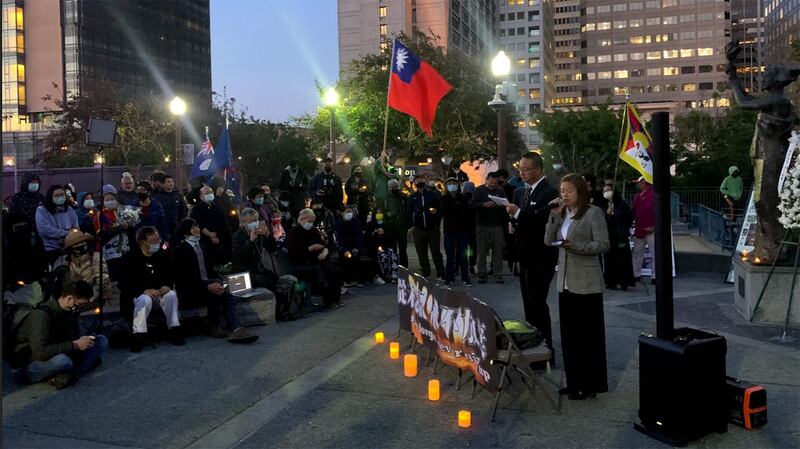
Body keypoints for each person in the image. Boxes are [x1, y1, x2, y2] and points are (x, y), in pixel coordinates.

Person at [545, 173, 610, 401]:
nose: (564, 195)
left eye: (569, 191)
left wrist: (576, 246)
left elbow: (603, 245)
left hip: (586, 282)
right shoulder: (562, 214)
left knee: (587, 337)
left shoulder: (593, 213)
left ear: (580, 192)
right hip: (564, 281)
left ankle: (590, 384)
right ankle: (573, 381)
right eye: (562, 191)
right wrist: (553, 218)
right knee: (569, 335)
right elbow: (547, 240)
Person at [506, 152, 559, 358]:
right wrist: (513, 225)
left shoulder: (549, 192)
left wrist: (518, 214)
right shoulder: (520, 192)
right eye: (520, 169)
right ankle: (531, 344)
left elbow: (541, 221)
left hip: (541, 255)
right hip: (524, 254)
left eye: (526, 169)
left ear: (538, 169)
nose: (522, 173)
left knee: (538, 302)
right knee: (528, 302)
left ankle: (546, 347)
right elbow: (522, 221)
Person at [10, 276, 107, 389]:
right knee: (63, 361)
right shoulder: (41, 316)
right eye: (80, 304)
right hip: (30, 362)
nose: (80, 308)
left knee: (101, 340)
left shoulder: (69, 312)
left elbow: (72, 338)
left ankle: (71, 373)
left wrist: (84, 340)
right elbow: (40, 352)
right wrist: (74, 344)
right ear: (69, 299)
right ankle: (70, 372)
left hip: (58, 352)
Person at [174, 218, 258, 343]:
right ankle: (214, 326)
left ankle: (236, 329)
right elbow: (185, 279)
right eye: (193, 227)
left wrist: (219, 282)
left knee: (225, 293)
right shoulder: (180, 251)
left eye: (197, 226)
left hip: (204, 283)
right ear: (186, 233)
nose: (197, 229)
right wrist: (206, 286)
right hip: (190, 289)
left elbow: (210, 267)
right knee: (217, 294)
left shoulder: (201, 246)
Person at [118, 226, 184, 352]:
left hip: (158, 293)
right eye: (153, 242)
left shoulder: (162, 255)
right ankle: (138, 335)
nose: (157, 244)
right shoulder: (129, 258)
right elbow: (123, 284)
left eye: (158, 240)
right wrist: (143, 290)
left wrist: (166, 285)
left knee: (171, 295)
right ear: (142, 243)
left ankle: (174, 328)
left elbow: (170, 275)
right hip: (137, 296)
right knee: (144, 300)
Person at [287, 208, 345, 308]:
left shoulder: (314, 231)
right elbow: (294, 254)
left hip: (317, 261)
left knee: (338, 271)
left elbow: (323, 245)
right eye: (309, 221)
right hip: (303, 265)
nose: (310, 224)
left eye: (312, 222)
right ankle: (328, 302)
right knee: (330, 273)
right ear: (301, 219)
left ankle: (335, 299)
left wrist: (324, 252)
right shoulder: (293, 233)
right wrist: (310, 249)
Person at [4, 173, 47, 285]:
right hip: (22, 238)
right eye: (32, 183)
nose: (35, 185)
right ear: (25, 183)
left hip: (40, 235)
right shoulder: (16, 199)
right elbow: (13, 219)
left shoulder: (40, 198)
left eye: (37, 183)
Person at [48, 231, 111, 305]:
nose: (81, 246)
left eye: (82, 243)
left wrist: (89, 299)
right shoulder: (67, 262)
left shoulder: (96, 257)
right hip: (74, 300)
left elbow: (103, 281)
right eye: (77, 244)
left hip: (94, 299)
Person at [470, 172, 507, 283]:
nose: (492, 185)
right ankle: (482, 273)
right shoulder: (478, 190)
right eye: (490, 182)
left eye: (495, 183)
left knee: (498, 250)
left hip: (497, 224)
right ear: (487, 180)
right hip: (482, 224)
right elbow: (472, 205)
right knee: (482, 250)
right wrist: (483, 204)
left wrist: (498, 204)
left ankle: (498, 273)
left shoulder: (500, 191)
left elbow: (506, 204)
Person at [406, 174, 445, 279]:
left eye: (422, 180)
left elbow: (440, 210)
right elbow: (408, 213)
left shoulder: (433, 195)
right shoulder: (412, 197)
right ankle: (425, 272)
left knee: (435, 252)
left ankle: (440, 273)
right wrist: (411, 226)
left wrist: (437, 221)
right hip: (418, 230)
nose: (420, 182)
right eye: (417, 180)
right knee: (421, 253)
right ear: (414, 183)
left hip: (432, 228)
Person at [93, 185, 131, 281]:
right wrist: (120, 228)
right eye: (107, 199)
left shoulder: (122, 211)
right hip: (108, 249)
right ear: (103, 201)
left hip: (123, 248)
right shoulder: (100, 215)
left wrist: (129, 225)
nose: (110, 201)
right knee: (111, 275)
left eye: (112, 199)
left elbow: (130, 225)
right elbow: (101, 233)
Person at [36, 185, 79, 266]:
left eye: (62, 195)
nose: (60, 197)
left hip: (70, 246)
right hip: (51, 249)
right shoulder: (42, 210)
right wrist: (66, 233)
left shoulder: (69, 209)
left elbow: (76, 226)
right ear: (50, 197)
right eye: (56, 195)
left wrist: (73, 233)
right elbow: (44, 230)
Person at [602, 183, 635, 291]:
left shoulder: (622, 204)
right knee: (609, 259)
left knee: (622, 258)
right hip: (608, 237)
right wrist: (607, 214)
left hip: (621, 237)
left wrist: (622, 226)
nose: (606, 193)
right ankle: (611, 281)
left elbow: (629, 218)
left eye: (608, 190)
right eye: (604, 191)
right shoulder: (604, 205)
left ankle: (624, 282)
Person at [441, 177, 472, 286]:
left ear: (458, 185)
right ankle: (449, 278)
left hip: (462, 231)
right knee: (450, 256)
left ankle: (465, 277)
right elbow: (443, 213)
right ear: (446, 186)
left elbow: (467, 214)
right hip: (449, 231)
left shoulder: (463, 198)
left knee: (463, 255)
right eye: (449, 183)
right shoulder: (443, 199)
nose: (452, 185)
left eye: (454, 183)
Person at [191, 185, 233, 265]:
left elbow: (223, 222)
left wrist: (217, 234)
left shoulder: (217, 206)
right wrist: (210, 235)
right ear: (201, 196)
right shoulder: (197, 208)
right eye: (207, 193)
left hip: (219, 237)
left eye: (211, 192)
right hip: (204, 239)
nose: (210, 194)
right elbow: (199, 224)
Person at [335, 206, 370, 286]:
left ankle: (360, 280)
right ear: (343, 213)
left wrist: (357, 248)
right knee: (345, 258)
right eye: (347, 212)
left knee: (357, 257)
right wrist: (345, 249)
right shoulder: (338, 223)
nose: (349, 214)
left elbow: (359, 235)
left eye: (350, 212)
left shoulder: (356, 221)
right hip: (344, 246)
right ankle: (346, 280)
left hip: (355, 246)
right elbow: (339, 238)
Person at [631, 177, 656, 282]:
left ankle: (655, 275)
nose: (637, 184)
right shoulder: (636, 196)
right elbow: (633, 211)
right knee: (637, 252)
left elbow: (659, 211)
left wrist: (654, 226)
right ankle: (636, 274)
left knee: (654, 253)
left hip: (652, 229)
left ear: (644, 183)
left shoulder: (654, 195)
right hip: (639, 228)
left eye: (639, 183)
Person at [152, 174, 188, 240]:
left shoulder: (178, 196)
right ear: (162, 184)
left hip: (177, 227)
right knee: (165, 247)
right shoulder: (157, 198)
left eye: (172, 182)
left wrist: (180, 222)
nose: (171, 184)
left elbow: (184, 209)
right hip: (164, 228)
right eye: (168, 182)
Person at [365, 208, 398, 283]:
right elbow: (367, 237)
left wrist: (384, 233)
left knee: (392, 255)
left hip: (386, 245)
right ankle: (383, 276)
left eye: (380, 213)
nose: (379, 215)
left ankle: (393, 276)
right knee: (382, 255)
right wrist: (375, 232)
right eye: (377, 213)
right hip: (374, 247)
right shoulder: (371, 224)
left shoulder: (387, 224)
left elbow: (391, 237)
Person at [384, 179, 409, 267]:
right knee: (392, 248)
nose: (394, 188)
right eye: (392, 187)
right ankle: (394, 267)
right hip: (391, 225)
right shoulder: (386, 197)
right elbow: (384, 210)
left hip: (401, 225)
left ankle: (403, 267)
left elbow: (407, 211)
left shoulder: (404, 196)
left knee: (402, 249)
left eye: (395, 186)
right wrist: (387, 215)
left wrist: (407, 224)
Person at [461, 181, 478, 272]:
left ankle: (464, 265)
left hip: (463, 228)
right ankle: (471, 265)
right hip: (473, 228)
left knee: (463, 248)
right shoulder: (475, 199)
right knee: (472, 248)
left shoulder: (461, 198)